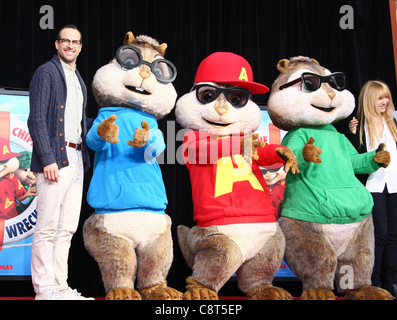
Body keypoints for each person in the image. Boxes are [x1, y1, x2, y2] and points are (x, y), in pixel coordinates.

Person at [28, 25, 92, 300]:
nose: (70, 46)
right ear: (57, 44)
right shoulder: (46, 72)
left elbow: (79, 123)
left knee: (67, 227)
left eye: (75, 42)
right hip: (56, 157)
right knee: (48, 226)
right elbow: (37, 119)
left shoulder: (78, 78)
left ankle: (60, 287)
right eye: (65, 41)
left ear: (80, 46)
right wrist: (47, 159)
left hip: (76, 157)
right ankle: (44, 288)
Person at [348, 80, 397, 297]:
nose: (385, 101)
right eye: (380, 97)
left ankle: (392, 282)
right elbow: (353, 161)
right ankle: (374, 281)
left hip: (394, 186)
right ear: (370, 99)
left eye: (386, 97)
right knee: (380, 235)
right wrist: (351, 134)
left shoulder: (393, 123)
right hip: (372, 188)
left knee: (394, 235)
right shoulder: (359, 126)